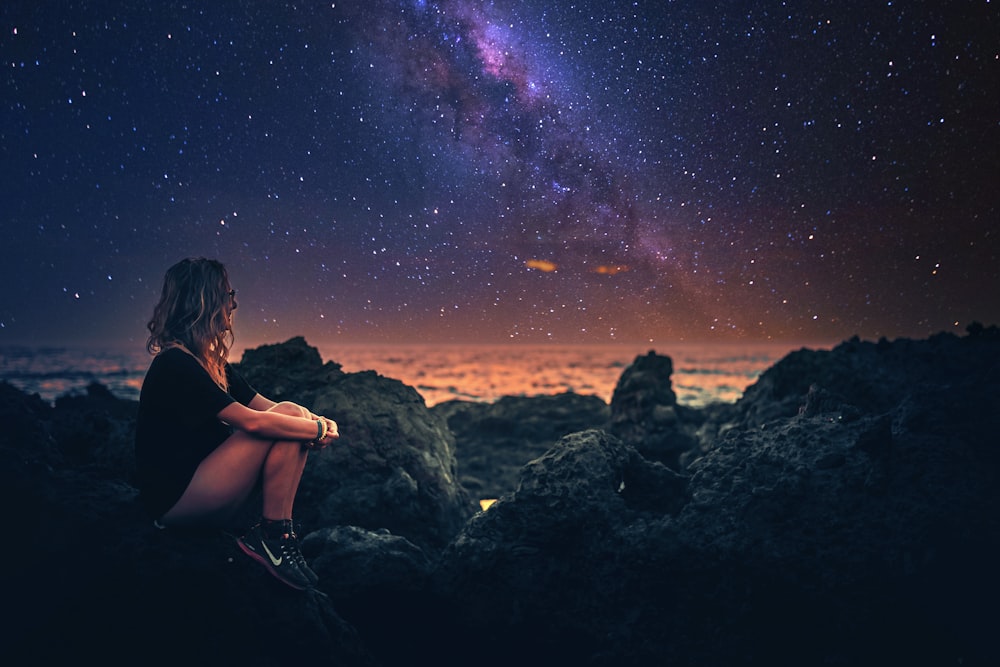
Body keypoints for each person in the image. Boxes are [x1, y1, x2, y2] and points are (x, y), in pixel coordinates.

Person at [134, 257, 338, 590]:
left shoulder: (209, 363)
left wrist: (319, 422)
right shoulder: (175, 363)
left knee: (289, 414)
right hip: (175, 503)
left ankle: (279, 536)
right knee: (285, 422)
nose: (234, 304)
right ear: (206, 302)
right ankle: (273, 537)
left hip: (208, 493)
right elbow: (253, 423)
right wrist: (313, 431)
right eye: (228, 295)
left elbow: (268, 407)